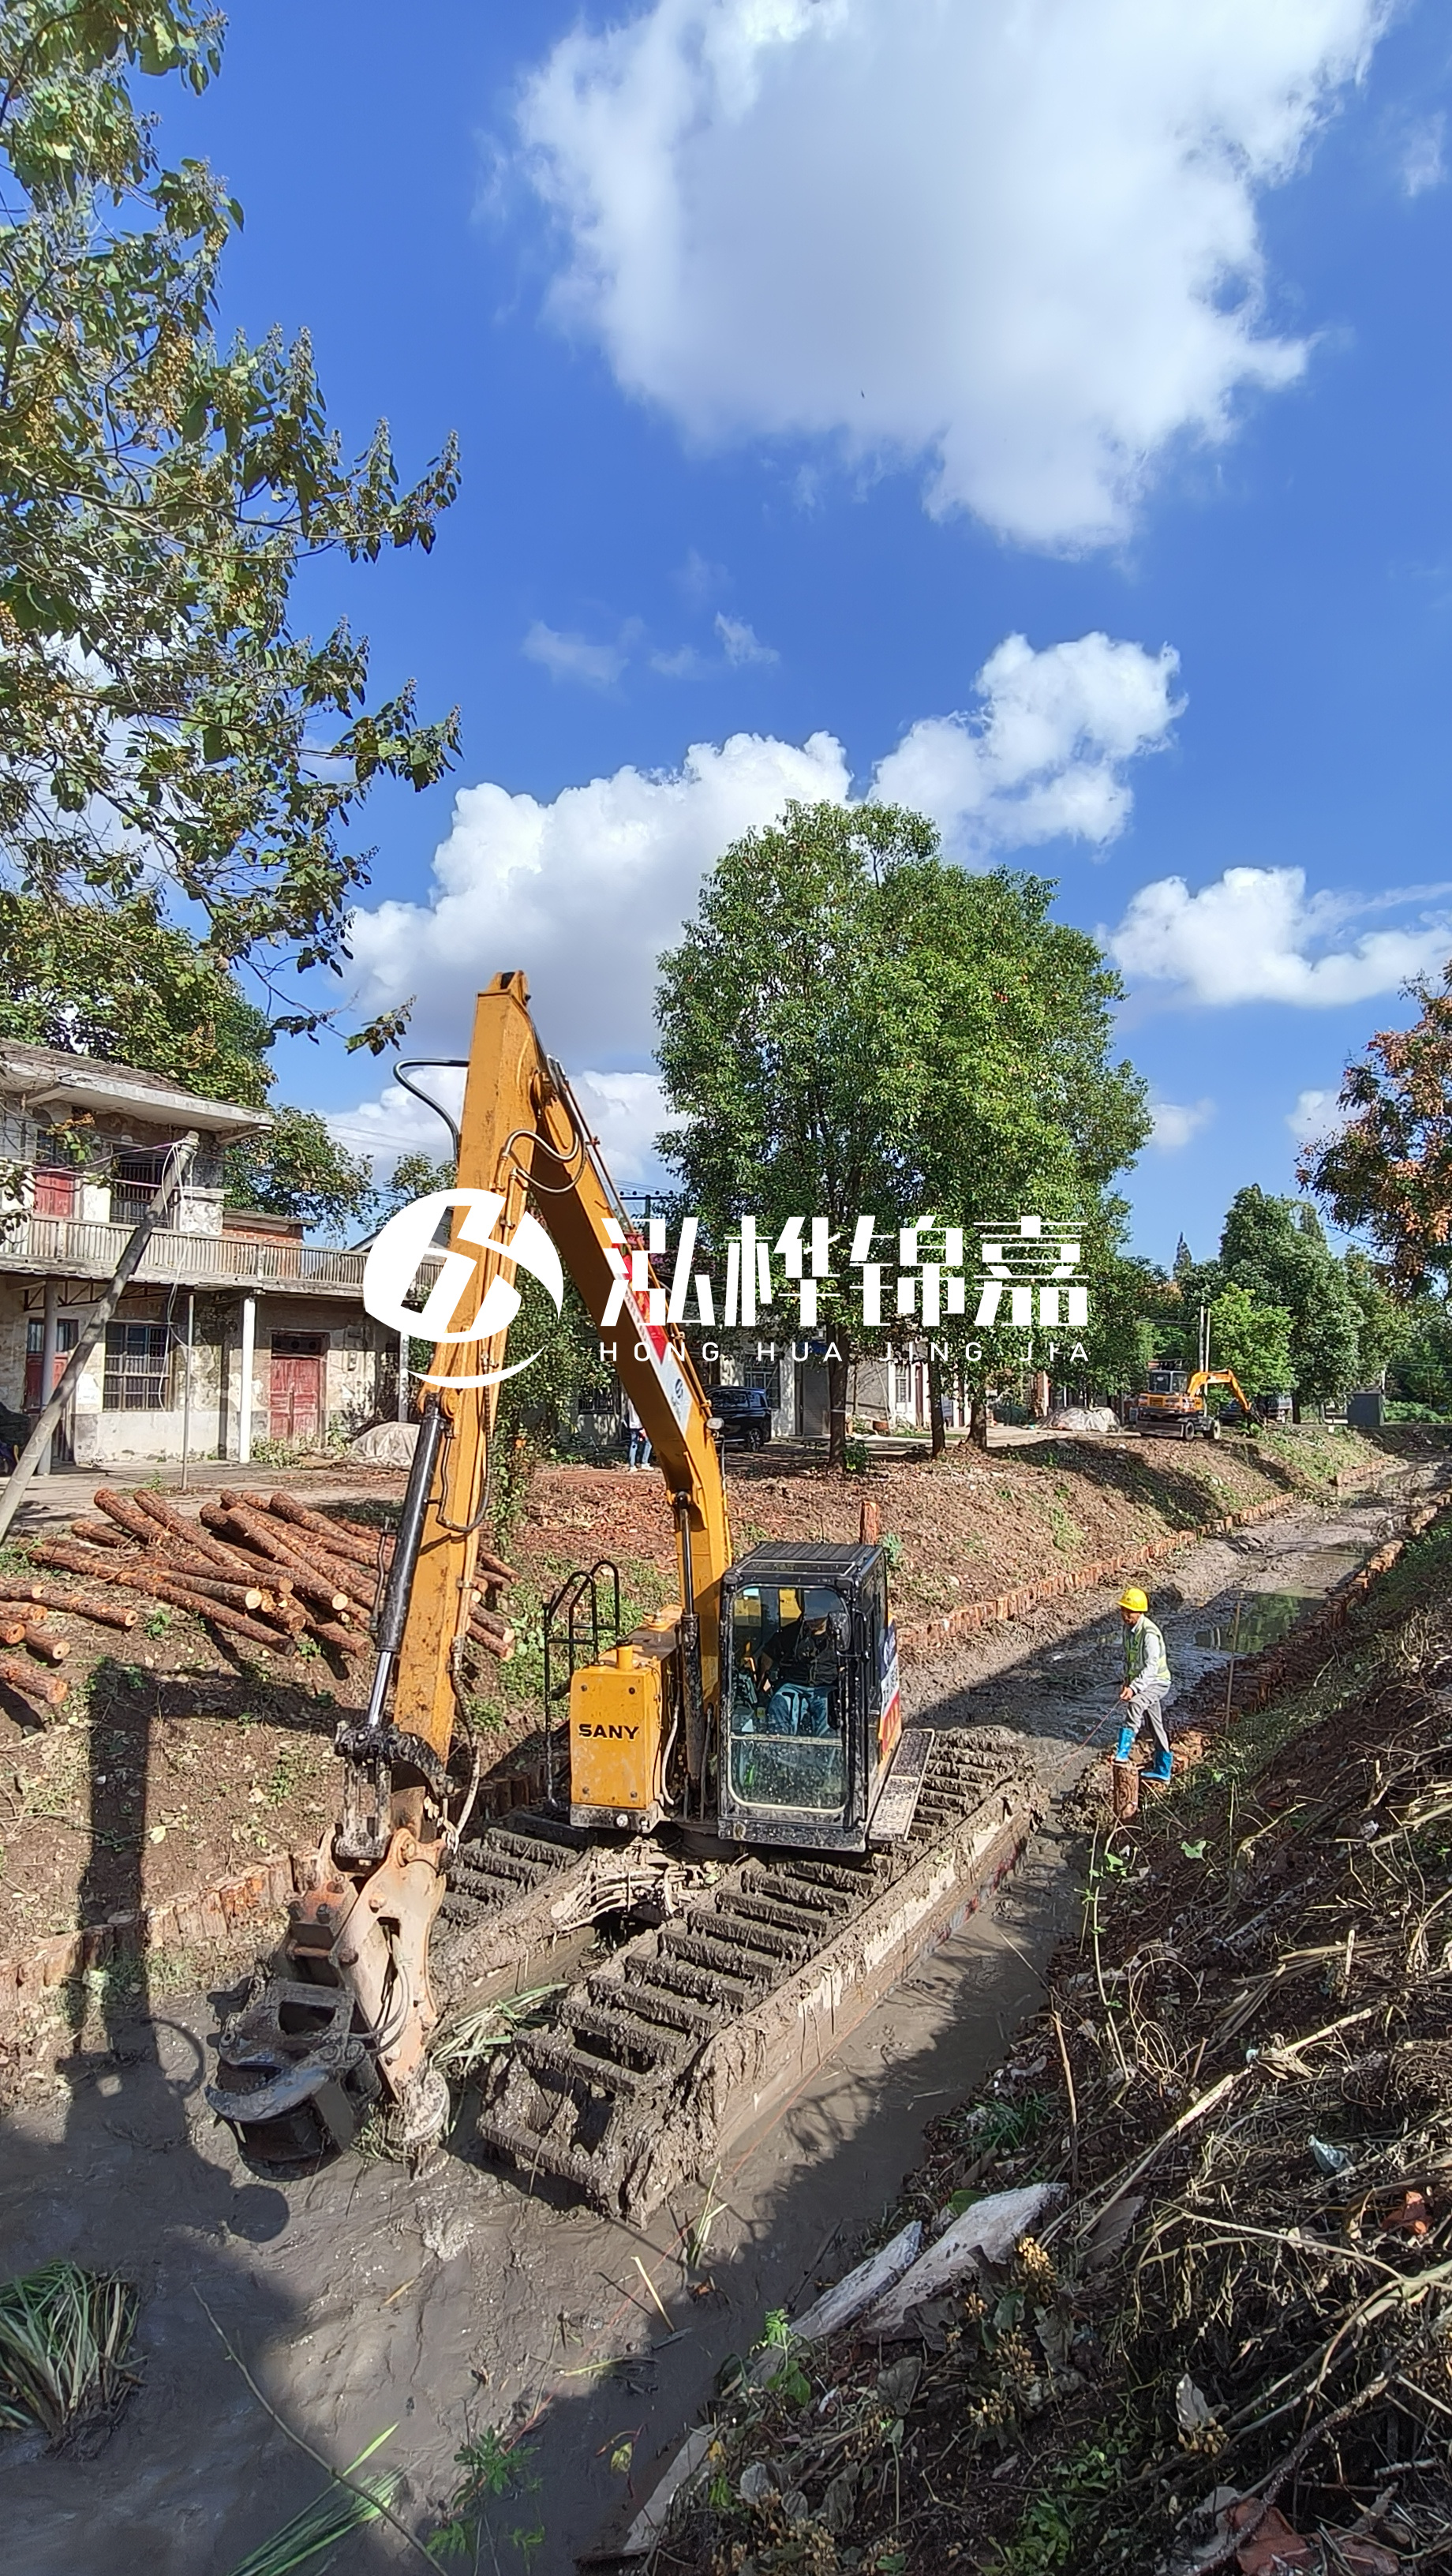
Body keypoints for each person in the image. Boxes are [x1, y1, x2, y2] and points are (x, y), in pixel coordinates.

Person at [1115, 1586, 1173, 1783]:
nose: (1125, 1616)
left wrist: (1134, 1689)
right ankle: (1163, 1769)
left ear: (1140, 1612)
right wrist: (1127, 1682)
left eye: (1129, 1612)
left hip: (1157, 1682)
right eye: (1123, 1611)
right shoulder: (1127, 1630)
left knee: (1136, 1704)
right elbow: (1130, 1659)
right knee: (1155, 1725)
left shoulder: (1149, 1634)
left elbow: (1151, 1668)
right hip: (1142, 1682)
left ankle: (1123, 1752)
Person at [623, 1395, 651, 1472]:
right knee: (648, 1442)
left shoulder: (629, 1401)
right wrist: (643, 1427)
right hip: (640, 1425)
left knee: (633, 1444)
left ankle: (632, 1465)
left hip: (632, 1425)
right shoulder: (639, 1400)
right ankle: (644, 1463)